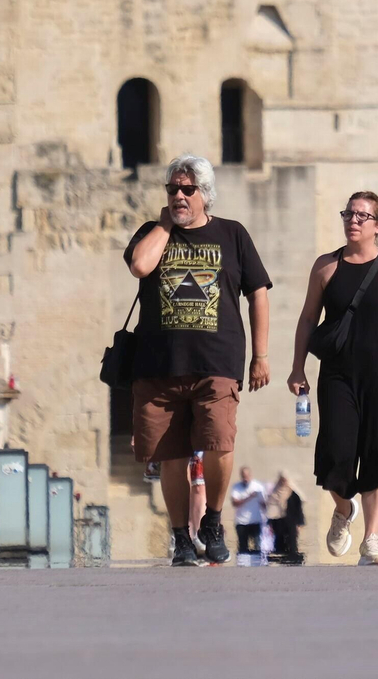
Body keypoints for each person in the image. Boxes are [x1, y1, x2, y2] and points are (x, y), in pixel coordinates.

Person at [125, 155, 273, 568]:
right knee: (170, 455)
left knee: (219, 442)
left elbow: (258, 292)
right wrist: (165, 225)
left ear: (204, 194)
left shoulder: (232, 234)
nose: (178, 195)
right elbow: (140, 266)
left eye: (187, 189)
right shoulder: (153, 233)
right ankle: (180, 537)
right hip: (159, 365)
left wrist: (260, 355)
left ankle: (211, 520)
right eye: (172, 189)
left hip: (217, 361)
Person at [287, 191, 378, 566]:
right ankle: (343, 509)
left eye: (362, 216)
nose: (353, 220)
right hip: (338, 373)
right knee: (335, 453)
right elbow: (307, 319)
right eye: (348, 213)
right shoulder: (326, 267)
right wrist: (297, 366)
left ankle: (372, 540)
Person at [266, 471, 305, 564]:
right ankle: (280, 563)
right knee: (279, 543)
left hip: (291, 522)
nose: (283, 482)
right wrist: (270, 524)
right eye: (282, 480)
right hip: (278, 523)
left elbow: (298, 509)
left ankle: (292, 561)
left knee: (292, 542)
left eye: (285, 480)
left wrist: (299, 523)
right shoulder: (274, 493)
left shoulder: (293, 494)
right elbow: (270, 509)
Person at [230, 466, 268, 556]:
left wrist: (267, 520)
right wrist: (249, 497)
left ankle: (257, 568)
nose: (245, 478)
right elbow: (235, 503)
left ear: (250, 475)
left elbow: (264, 504)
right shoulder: (236, 487)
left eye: (247, 476)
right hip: (241, 522)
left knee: (258, 548)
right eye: (243, 476)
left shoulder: (258, 486)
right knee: (243, 549)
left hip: (256, 521)